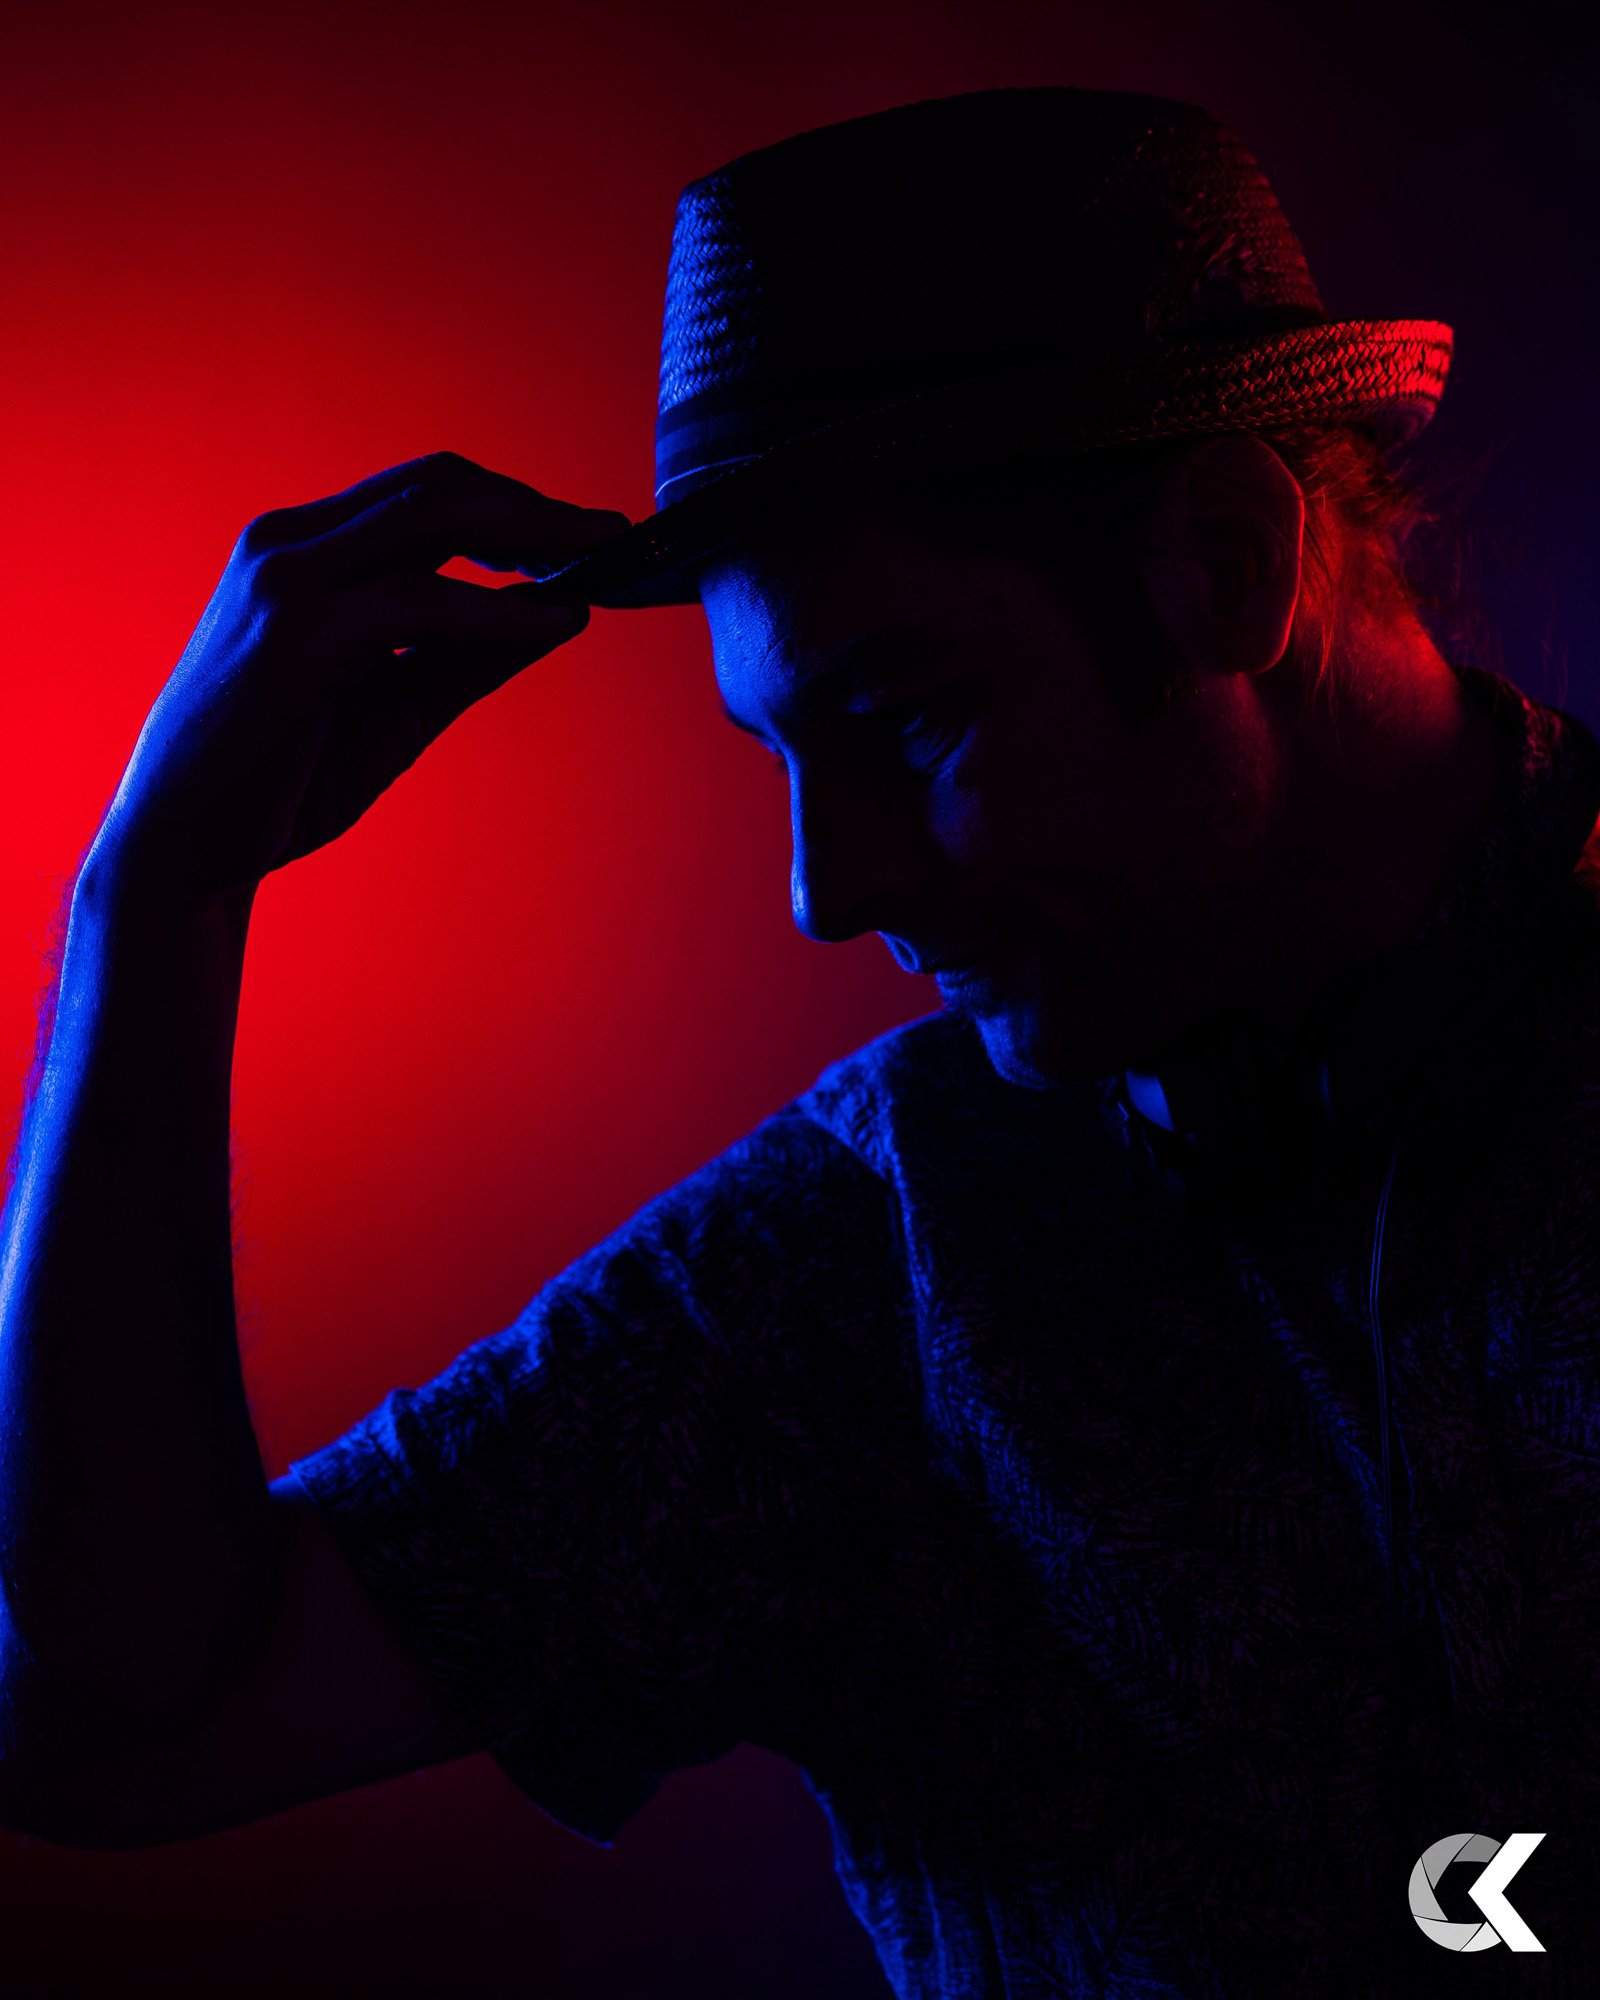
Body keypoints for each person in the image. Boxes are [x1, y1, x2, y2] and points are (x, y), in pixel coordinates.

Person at [1, 85, 1597, 1998]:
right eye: (787, 758)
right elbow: (118, 1722)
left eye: (907, 721)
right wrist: (150, 906)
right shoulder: (862, 1257)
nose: (825, 897)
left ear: (1228, 560)